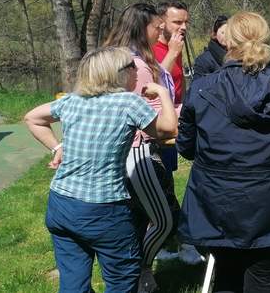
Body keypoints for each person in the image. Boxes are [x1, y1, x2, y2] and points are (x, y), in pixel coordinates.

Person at [177, 12, 270, 292]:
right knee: (263, 277)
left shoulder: (202, 87)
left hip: (217, 201)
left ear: (227, 40)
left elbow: (187, 148)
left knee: (226, 275)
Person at [24, 46, 177, 293]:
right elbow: (169, 129)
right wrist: (162, 92)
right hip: (104, 210)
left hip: (61, 204)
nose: (137, 70)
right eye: (131, 66)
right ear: (116, 73)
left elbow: (32, 117)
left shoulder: (72, 100)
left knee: (73, 282)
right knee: (122, 280)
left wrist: (57, 147)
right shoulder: (128, 102)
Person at [103, 3, 179, 292]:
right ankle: (138, 269)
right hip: (139, 150)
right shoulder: (136, 68)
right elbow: (150, 111)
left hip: (123, 150)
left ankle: (136, 276)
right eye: (157, 27)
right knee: (165, 219)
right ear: (140, 28)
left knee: (137, 216)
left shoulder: (116, 58)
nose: (161, 31)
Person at [152, 0, 203, 264]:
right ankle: (173, 244)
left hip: (173, 124)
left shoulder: (176, 45)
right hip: (154, 130)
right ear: (161, 22)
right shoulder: (152, 48)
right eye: (177, 22)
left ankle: (162, 244)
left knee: (165, 180)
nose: (183, 27)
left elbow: (175, 83)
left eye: (186, 22)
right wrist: (172, 52)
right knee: (161, 189)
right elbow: (151, 83)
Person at [192, 14, 228, 80]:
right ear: (215, 34)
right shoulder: (203, 60)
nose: (227, 36)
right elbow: (198, 86)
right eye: (223, 32)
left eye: (230, 32)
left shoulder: (238, 56)